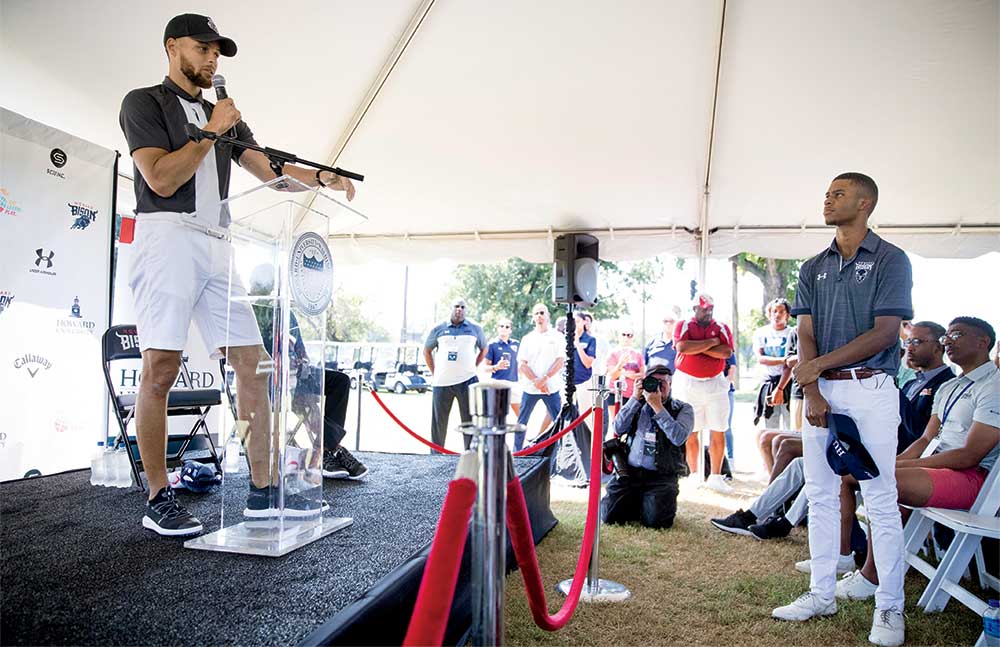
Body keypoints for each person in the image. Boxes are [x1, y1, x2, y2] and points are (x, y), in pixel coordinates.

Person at [118, 14, 356, 536]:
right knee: (161, 367)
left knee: (254, 365)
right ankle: (158, 497)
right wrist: (209, 132)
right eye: (203, 48)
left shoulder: (221, 114)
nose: (212, 59)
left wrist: (320, 178)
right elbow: (160, 179)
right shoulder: (144, 102)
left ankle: (263, 489)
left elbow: (267, 169)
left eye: (217, 52)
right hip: (167, 237)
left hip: (218, 242)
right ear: (171, 47)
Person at [772, 172, 912, 647]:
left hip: (870, 389)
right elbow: (804, 333)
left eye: (838, 194)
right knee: (820, 492)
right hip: (821, 392)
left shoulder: (892, 259)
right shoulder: (812, 266)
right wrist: (812, 391)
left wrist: (816, 370)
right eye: (827, 194)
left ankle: (890, 608)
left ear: (866, 202)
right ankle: (821, 593)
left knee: (880, 499)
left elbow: (885, 333)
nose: (827, 200)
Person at [710, 321, 954, 543]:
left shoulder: (944, 383)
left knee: (830, 467)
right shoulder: (913, 381)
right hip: (867, 444)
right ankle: (752, 515)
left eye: (917, 341)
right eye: (908, 341)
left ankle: (785, 523)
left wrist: (888, 388)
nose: (909, 347)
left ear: (938, 347)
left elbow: (920, 432)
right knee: (800, 465)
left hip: (895, 454)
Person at [833, 317, 999, 602]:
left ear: (982, 342)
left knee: (881, 479)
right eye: (946, 335)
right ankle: (843, 557)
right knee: (854, 473)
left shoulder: (994, 386)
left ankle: (872, 578)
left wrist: (892, 467)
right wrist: (890, 461)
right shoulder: (950, 387)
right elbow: (924, 441)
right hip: (941, 468)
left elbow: (971, 455)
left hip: (974, 479)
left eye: (956, 335)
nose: (947, 341)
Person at [248, 266, 367, 481]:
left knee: (339, 381)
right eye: (263, 281)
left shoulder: (285, 311)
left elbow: (299, 347)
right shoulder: (249, 310)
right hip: (267, 376)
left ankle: (327, 448)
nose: (268, 285)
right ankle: (329, 451)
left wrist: (303, 365)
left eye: (271, 281)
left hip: (295, 372)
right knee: (301, 396)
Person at [601, 364, 694, 529]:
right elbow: (618, 428)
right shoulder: (637, 404)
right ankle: (639, 501)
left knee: (657, 523)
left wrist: (658, 407)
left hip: (662, 476)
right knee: (609, 516)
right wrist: (634, 399)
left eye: (663, 382)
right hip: (630, 473)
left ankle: (646, 502)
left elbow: (678, 438)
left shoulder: (683, 409)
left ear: (671, 385)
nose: (658, 386)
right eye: (653, 381)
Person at [672, 293, 734, 493]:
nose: (708, 312)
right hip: (689, 383)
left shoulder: (721, 327)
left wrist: (697, 348)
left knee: (718, 428)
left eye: (710, 308)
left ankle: (715, 476)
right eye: (704, 309)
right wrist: (711, 343)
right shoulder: (684, 325)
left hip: (715, 383)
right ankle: (693, 474)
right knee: (692, 430)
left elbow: (726, 352)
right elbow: (681, 346)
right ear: (695, 309)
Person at [423, 298, 487, 452]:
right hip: (442, 383)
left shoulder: (475, 328)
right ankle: (436, 457)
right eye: (456, 306)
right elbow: (427, 350)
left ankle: (471, 456)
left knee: (469, 422)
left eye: (463, 307)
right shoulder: (438, 328)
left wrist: (473, 366)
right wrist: (435, 372)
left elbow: (484, 349)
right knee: (439, 424)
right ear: (451, 308)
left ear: (466, 310)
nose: (459, 309)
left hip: (468, 381)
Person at [515, 303, 564, 450]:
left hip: (551, 387)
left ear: (548, 315)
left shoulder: (558, 336)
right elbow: (522, 364)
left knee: (559, 422)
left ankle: (561, 452)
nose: (539, 316)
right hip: (530, 388)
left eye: (542, 313)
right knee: (521, 422)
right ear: (533, 317)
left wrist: (544, 380)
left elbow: (560, 361)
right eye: (536, 313)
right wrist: (538, 382)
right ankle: (516, 452)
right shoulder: (527, 338)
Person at [753, 298, 795, 430]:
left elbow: (792, 363)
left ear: (787, 315)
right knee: (771, 427)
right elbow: (761, 358)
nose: (777, 315)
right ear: (769, 314)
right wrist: (784, 360)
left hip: (789, 383)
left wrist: (781, 388)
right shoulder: (761, 333)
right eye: (774, 311)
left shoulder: (792, 333)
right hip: (769, 382)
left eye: (781, 311)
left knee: (791, 425)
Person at [482, 317, 520, 416]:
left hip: (514, 383)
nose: (504, 328)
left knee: (520, 415)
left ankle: (521, 432)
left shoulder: (516, 344)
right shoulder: (492, 344)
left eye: (507, 327)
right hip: (497, 382)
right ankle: (498, 432)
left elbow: (522, 364)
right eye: (501, 326)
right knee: (498, 414)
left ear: (510, 330)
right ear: (497, 328)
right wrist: (496, 367)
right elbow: (485, 368)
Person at [606, 327, 644, 400]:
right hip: (615, 393)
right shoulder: (613, 353)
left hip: (633, 395)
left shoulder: (638, 354)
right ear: (619, 336)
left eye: (629, 335)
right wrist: (620, 364)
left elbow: (642, 375)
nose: (626, 337)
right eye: (623, 334)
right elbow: (613, 375)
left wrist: (625, 374)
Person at [644, 306, 681, 374]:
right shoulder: (652, 342)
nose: (668, 324)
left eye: (671, 321)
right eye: (665, 321)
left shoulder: (680, 343)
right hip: (652, 382)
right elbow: (644, 364)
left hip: (673, 382)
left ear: (676, 323)